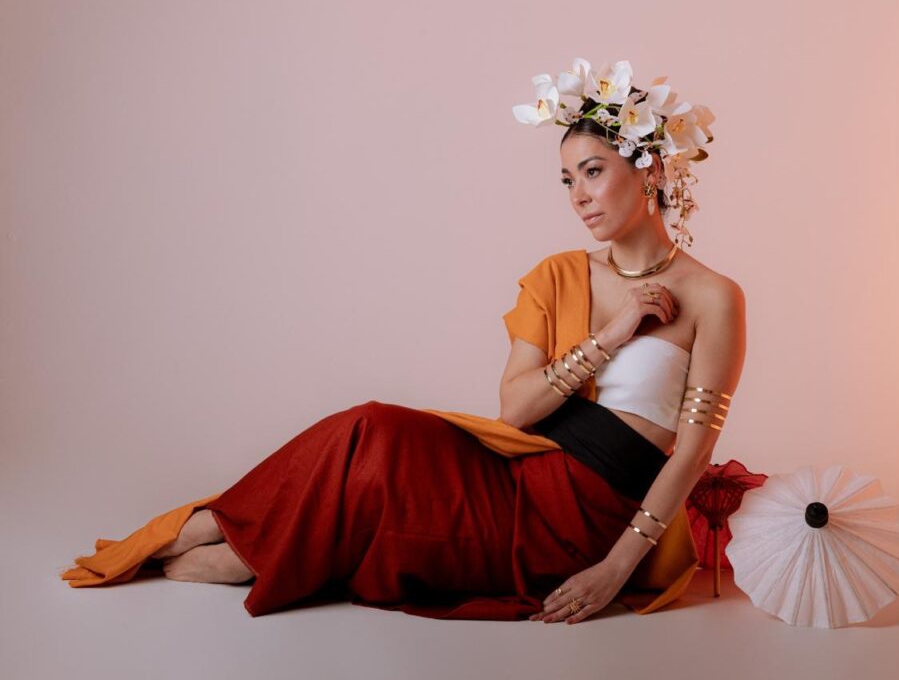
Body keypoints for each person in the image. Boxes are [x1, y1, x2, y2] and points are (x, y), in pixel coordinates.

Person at [60, 58, 746, 625]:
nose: (578, 195)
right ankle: (204, 529)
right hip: (513, 475)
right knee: (371, 428)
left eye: (593, 171)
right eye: (568, 179)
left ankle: (223, 540)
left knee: (312, 527)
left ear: (651, 169)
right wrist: (613, 334)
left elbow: (692, 453)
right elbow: (515, 412)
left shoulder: (714, 297)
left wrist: (616, 567)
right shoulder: (558, 275)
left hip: (580, 522)